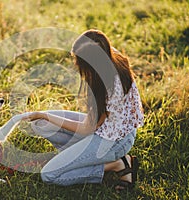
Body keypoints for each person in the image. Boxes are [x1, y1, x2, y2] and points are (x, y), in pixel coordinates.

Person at [22, 29, 144, 191]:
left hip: (113, 142)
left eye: (77, 60)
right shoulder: (111, 57)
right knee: (40, 123)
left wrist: (47, 115)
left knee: (49, 174)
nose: (75, 63)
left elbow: (87, 129)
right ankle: (80, 158)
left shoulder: (106, 83)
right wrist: (44, 117)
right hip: (107, 130)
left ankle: (116, 164)